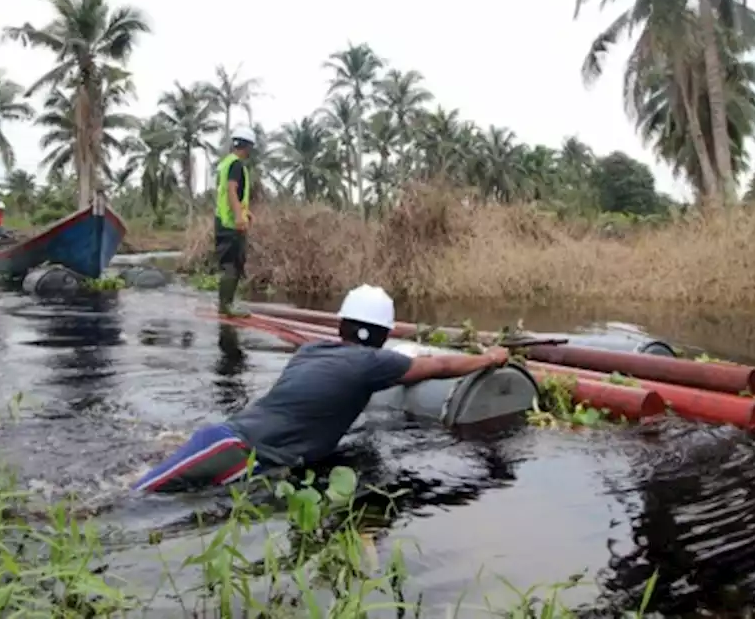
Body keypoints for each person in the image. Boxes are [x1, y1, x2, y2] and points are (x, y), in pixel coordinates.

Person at [132, 284, 511, 493]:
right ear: (381, 335)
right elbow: (440, 364)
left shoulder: (312, 348)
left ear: (342, 324)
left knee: (149, 490)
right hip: (236, 453)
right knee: (132, 500)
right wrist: (488, 359)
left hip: (227, 442)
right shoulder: (372, 363)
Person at [214, 125, 256, 316]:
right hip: (230, 224)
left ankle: (226, 303)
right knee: (232, 264)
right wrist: (239, 216)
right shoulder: (236, 165)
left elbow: (233, 194)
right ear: (247, 147)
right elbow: (232, 190)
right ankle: (226, 306)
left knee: (232, 263)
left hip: (224, 221)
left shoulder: (226, 163)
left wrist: (245, 212)